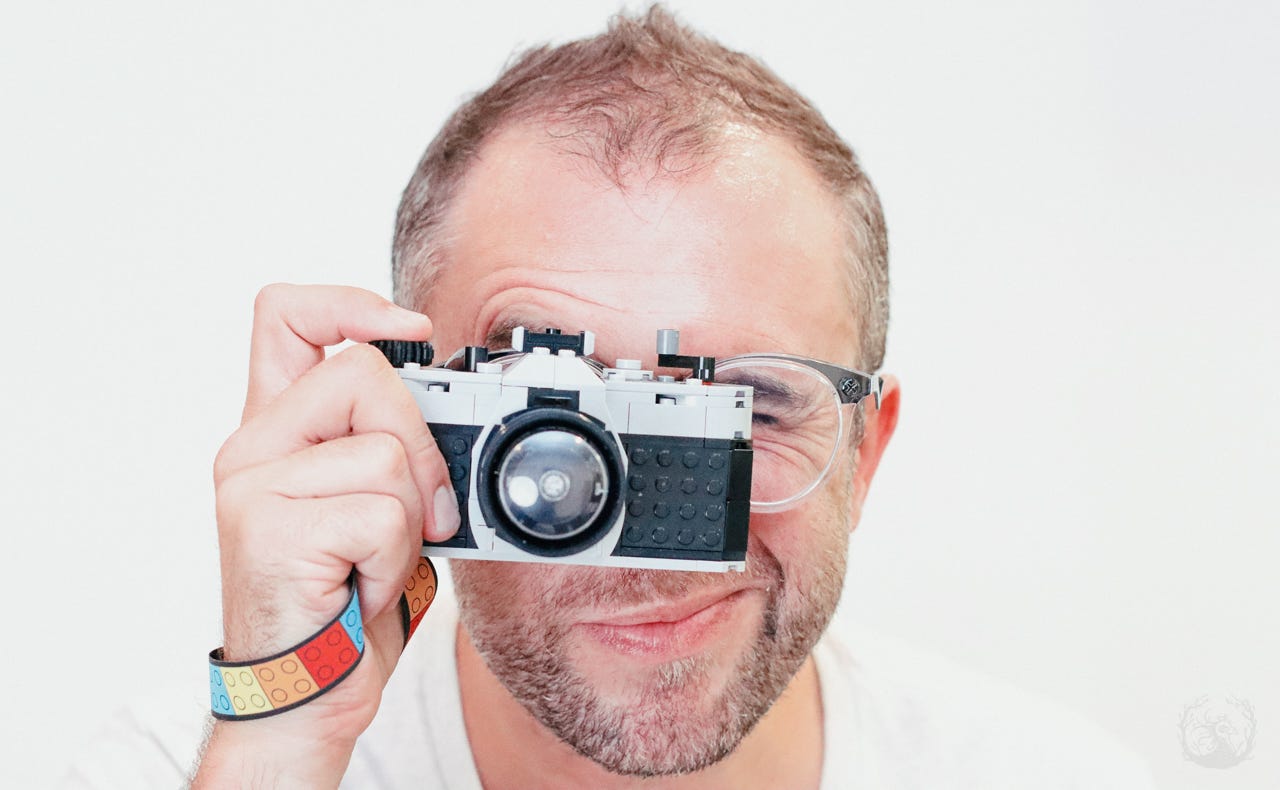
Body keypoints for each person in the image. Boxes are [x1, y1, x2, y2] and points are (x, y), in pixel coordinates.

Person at [67, 7, 1150, 789]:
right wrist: (283, 733)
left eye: (750, 408)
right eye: (548, 425)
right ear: (407, 425)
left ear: (863, 454)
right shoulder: (190, 767)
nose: (635, 548)